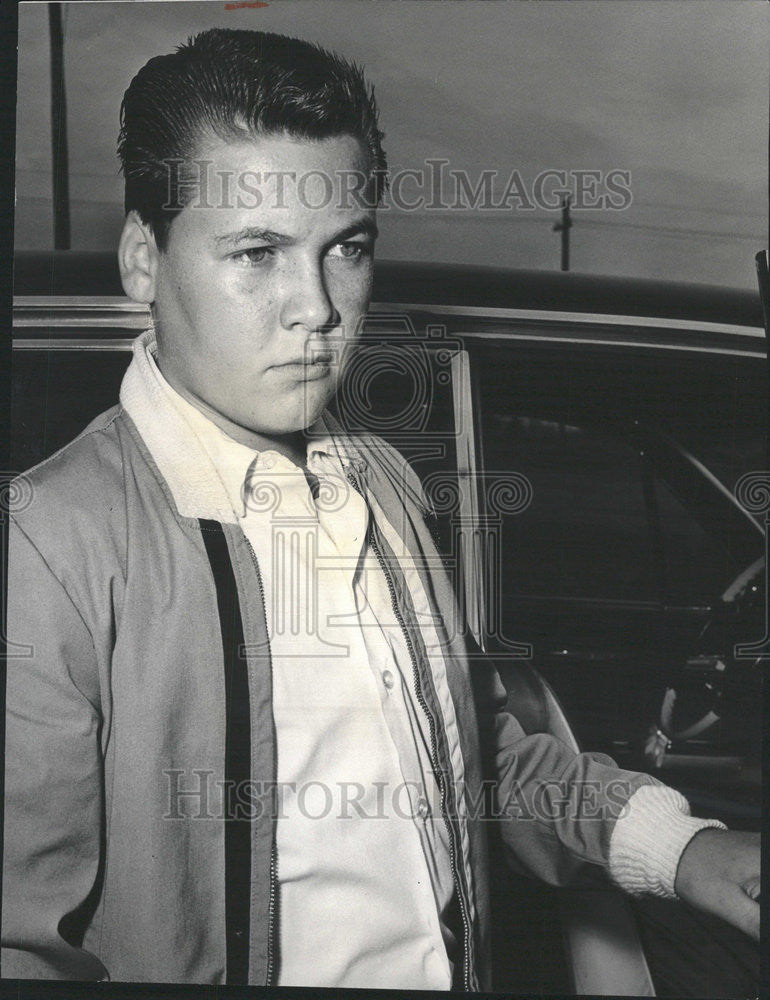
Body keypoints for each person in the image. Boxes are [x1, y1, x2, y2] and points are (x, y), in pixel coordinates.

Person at [2, 28, 759, 990]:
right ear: (144, 262)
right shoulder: (50, 549)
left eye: (345, 249)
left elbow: (472, 757)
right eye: (257, 252)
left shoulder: (384, 488)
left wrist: (686, 852)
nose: (316, 306)